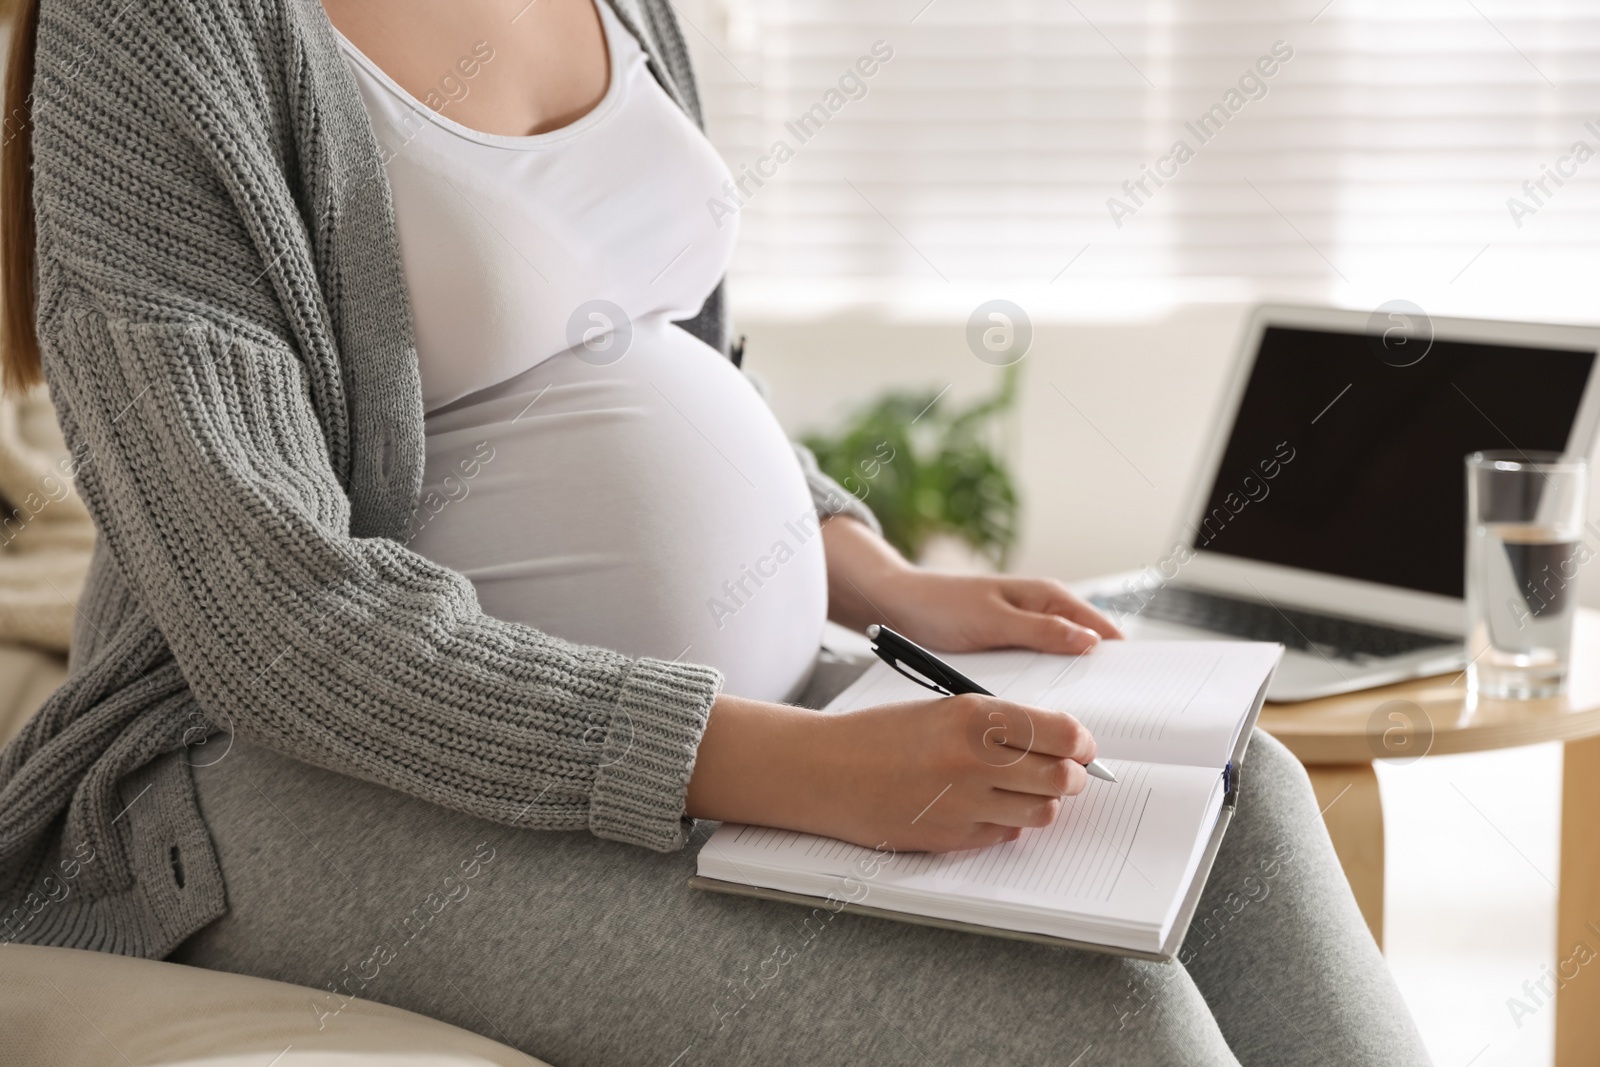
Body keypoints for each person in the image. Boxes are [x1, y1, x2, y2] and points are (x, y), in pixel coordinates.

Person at [0, 0, 1431, 1063]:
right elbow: (270, 624)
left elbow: (650, 343)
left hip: (723, 709)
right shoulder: (162, 27)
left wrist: (872, 577)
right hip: (272, 777)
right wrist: (794, 770)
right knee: (1101, 1026)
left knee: (1248, 795)